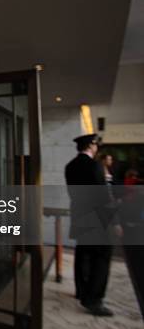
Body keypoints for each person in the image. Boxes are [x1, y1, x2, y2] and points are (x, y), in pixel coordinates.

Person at [65, 133, 118, 316]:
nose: (97, 148)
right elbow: (103, 196)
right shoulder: (94, 166)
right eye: (96, 145)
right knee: (101, 258)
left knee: (83, 254)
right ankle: (94, 300)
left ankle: (81, 291)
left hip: (80, 216)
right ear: (90, 146)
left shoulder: (70, 166)